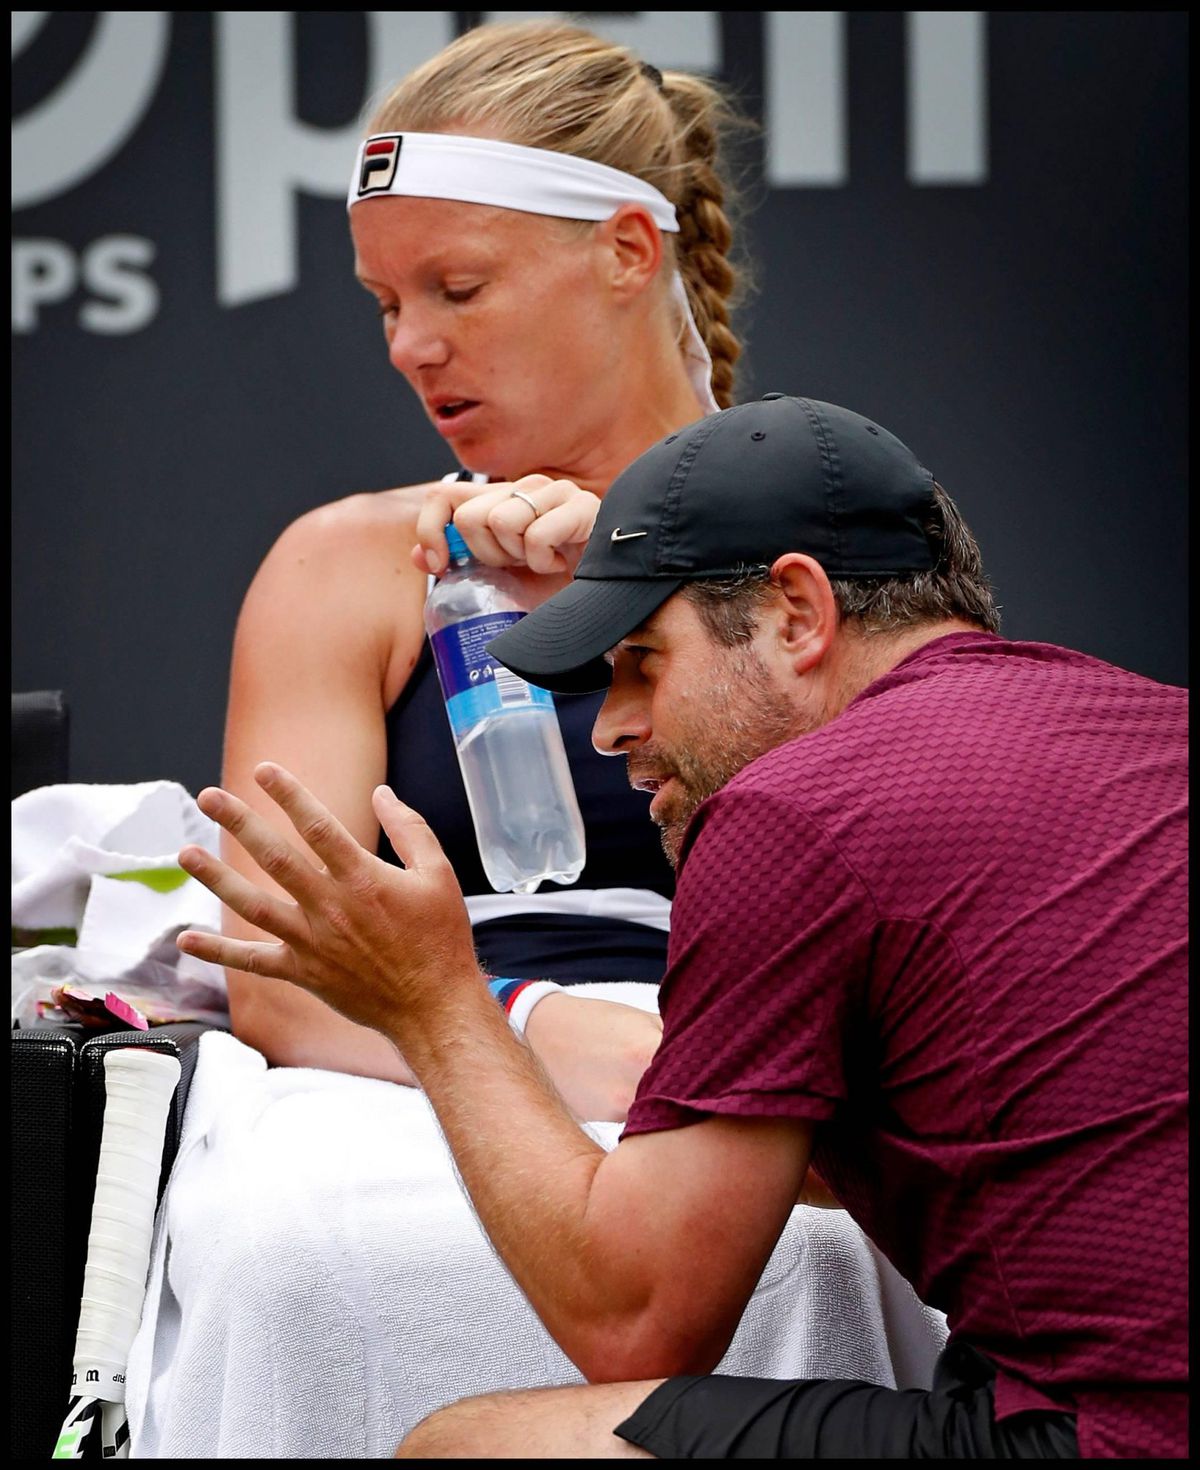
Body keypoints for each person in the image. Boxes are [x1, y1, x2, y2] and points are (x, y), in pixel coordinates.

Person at [123, 23, 948, 1459]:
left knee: (821, 1261)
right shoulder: (348, 561)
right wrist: (541, 1034)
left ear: (632, 251)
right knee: (289, 1250)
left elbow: (922, 906)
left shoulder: (828, 565)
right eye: (385, 300)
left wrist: (653, 577)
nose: (410, 346)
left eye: (458, 287)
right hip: (398, 1067)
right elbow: (282, 969)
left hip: (753, 1086)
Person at [176, 394, 1187, 1459]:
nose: (612, 727)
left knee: (470, 1449)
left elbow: (636, 1320)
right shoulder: (1155, 724)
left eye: (642, 662)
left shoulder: (789, 815)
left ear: (797, 613)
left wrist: (436, 1002)